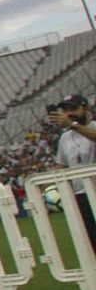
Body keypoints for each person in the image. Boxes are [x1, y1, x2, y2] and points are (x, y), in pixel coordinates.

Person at [46, 94, 96, 242]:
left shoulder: (92, 126)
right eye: (66, 109)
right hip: (81, 194)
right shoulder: (65, 137)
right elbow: (61, 164)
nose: (69, 113)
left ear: (85, 108)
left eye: (74, 108)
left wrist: (72, 125)